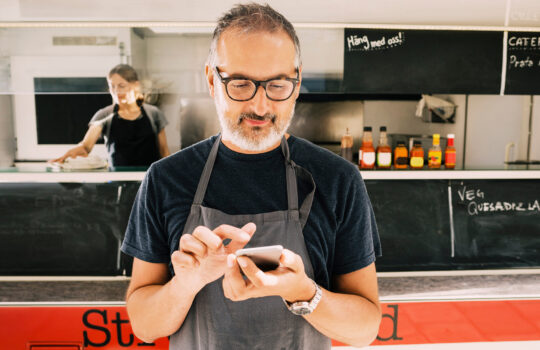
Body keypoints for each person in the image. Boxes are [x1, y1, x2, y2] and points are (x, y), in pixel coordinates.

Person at [122, 4, 382, 349]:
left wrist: (305, 293)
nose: (260, 106)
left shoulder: (339, 180)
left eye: (277, 84)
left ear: (297, 80)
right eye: (241, 84)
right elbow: (144, 326)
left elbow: (364, 330)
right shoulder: (165, 179)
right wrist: (188, 282)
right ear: (212, 79)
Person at [52, 64, 170, 167]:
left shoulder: (153, 114)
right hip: (119, 181)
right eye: (112, 86)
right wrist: (69, 155)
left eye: (121, 86)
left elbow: (164, 152)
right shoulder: (104, 115)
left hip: (150, 179)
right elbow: (85, 147)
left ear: (135, 85)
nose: (116, 91)